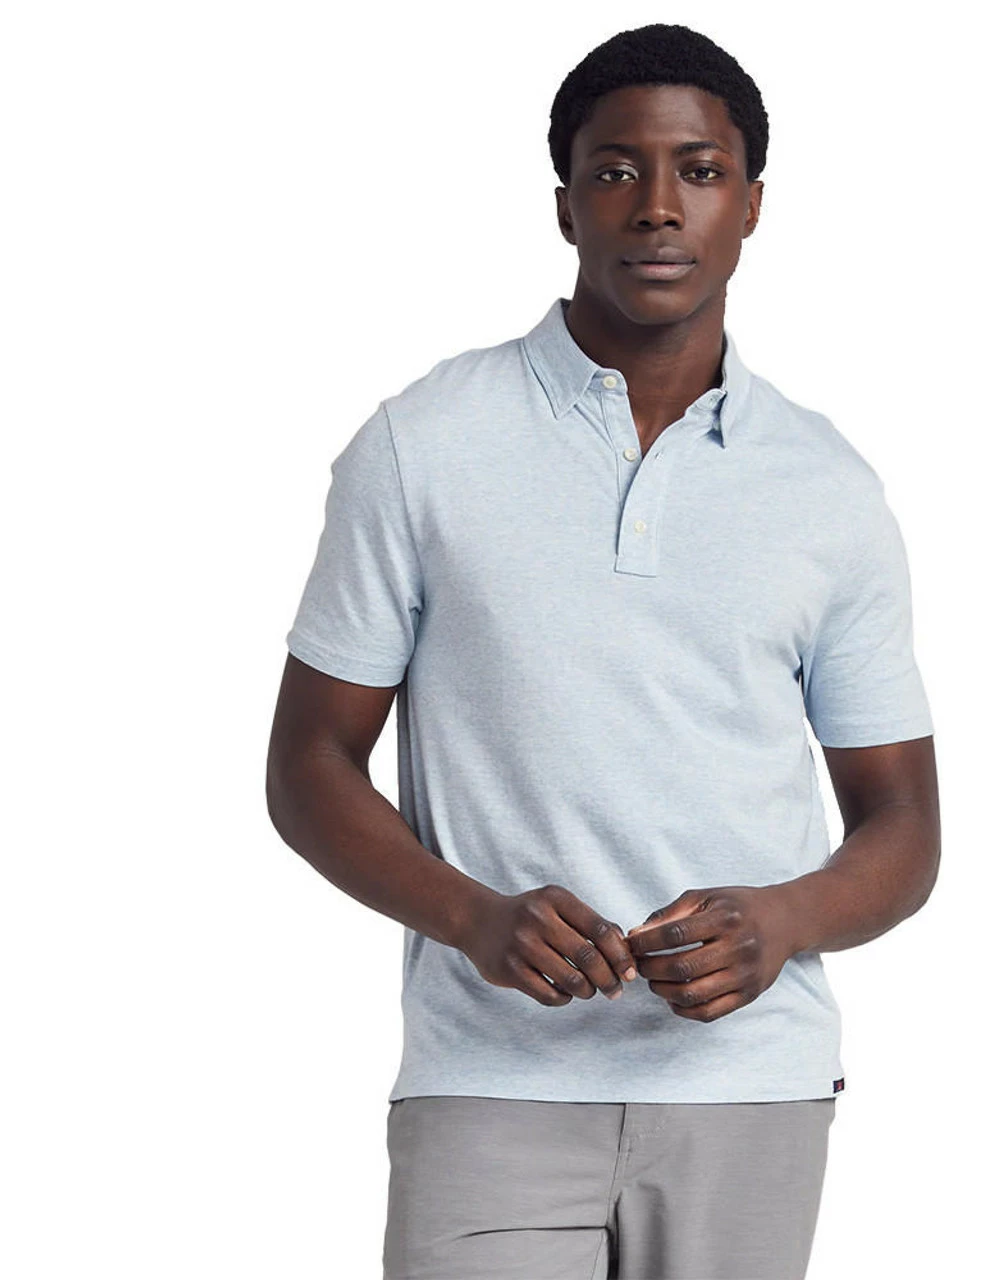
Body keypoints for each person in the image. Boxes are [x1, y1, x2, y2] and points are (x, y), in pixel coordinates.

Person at [266, 21, 940, 1280]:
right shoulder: (423, 443)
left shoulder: (827, 486)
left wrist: (782, 917)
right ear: (564, 203)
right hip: (490, 1079)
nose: (657, 206)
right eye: (615, 170)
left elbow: (902, 823)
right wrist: (471, 915)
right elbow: (307, 763)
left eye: (699, 170)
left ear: (750, 205)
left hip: (747, 1084)